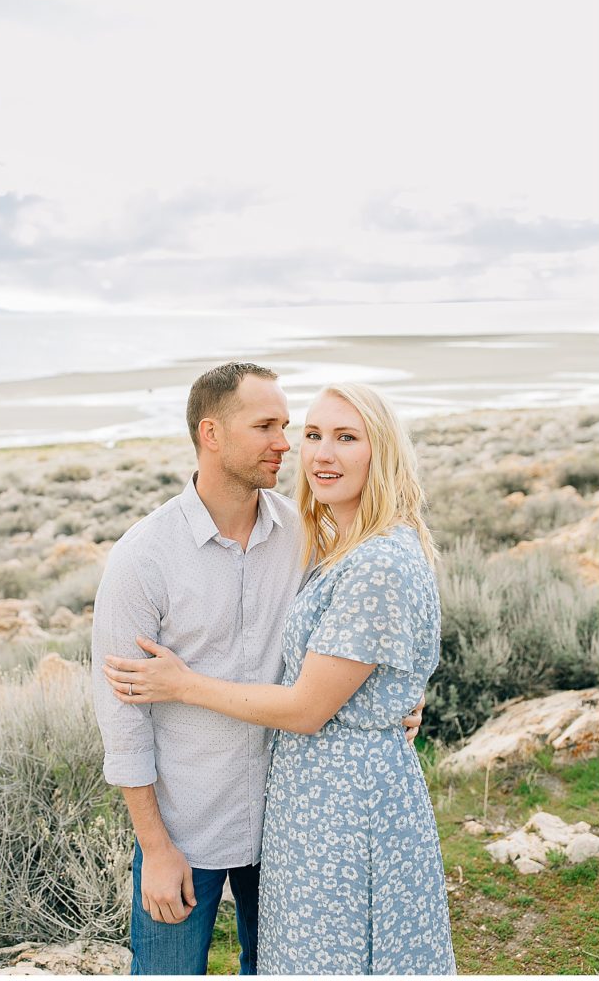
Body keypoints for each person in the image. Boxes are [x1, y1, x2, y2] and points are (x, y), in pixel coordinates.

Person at [103, 382, 456, 975]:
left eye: (333, 435)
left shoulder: (308, 535)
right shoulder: (144, 556)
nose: (291, 445)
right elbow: (121, 713)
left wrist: (395, 694)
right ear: (210, 435)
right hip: (190, 822)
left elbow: (343, 665)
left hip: (295, 823)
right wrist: (156, 847)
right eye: (272, 428)